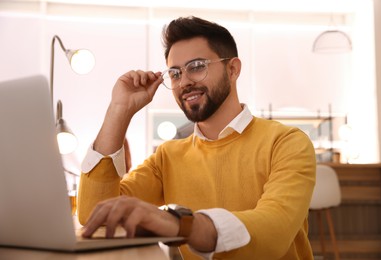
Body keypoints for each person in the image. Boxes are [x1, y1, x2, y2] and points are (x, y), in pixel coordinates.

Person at [78, 16, 316, 260]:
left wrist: (181, 225)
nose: (185, 82)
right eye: (175, 73)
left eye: (197, 66)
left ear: (232, 69)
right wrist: (119, 110)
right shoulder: (167, 157)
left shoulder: (287, 142)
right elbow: (93, 214)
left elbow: (274, 232)